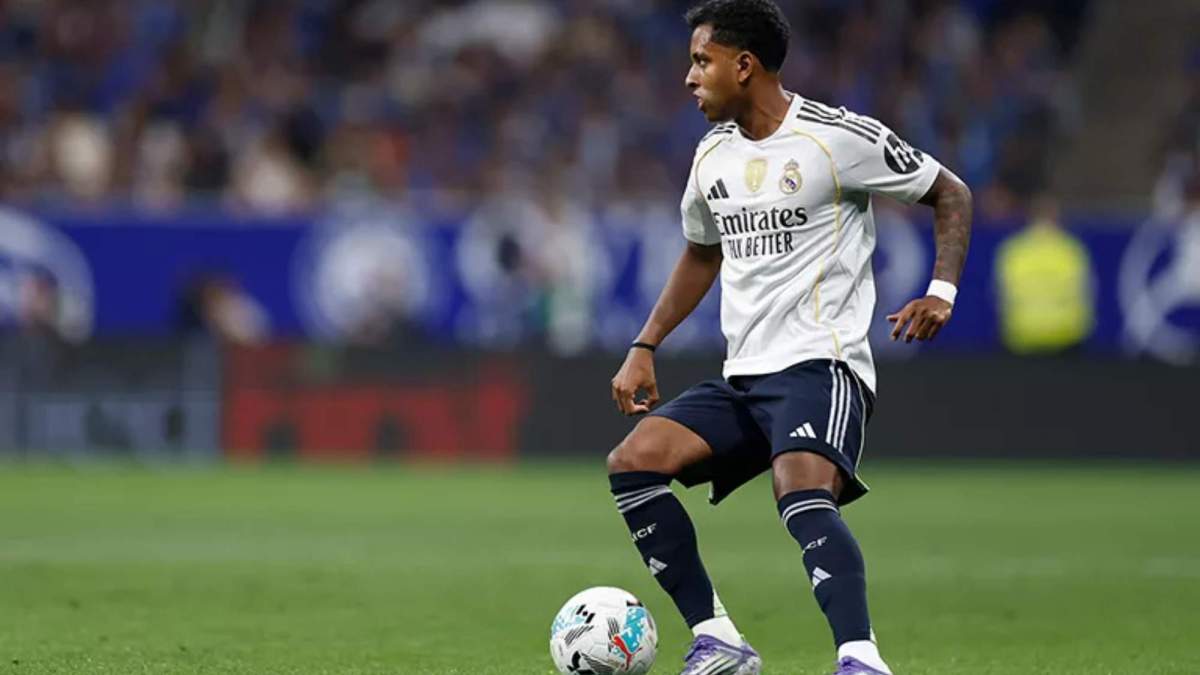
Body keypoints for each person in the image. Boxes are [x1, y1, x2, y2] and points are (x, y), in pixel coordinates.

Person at [606, 2, 973, 674]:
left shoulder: (837, 138)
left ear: (743, 66)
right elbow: (700, 252)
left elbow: (950, 192)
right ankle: (719, 639)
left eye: (701, 61)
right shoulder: (712, 154)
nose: (689, 78)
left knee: (798, 489)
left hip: (822, 366)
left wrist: (941, 291)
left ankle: (860, 658)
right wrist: (645, 343)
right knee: (634, 461)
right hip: (745, 375)